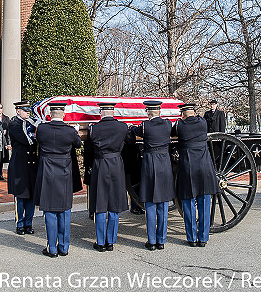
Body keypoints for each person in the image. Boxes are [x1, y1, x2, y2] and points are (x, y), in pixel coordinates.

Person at [34, 102, 82, 257]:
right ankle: (64, 246)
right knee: (64, 211)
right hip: (64, 173)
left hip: (47, 172)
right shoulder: (69, 131)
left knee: (49, 211)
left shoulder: (42, 129)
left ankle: (52, 248)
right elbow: (78, 144)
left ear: (50, 113)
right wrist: (76, 131)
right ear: (63, 114)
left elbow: (38, 140)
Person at [83, 102, 131, 252]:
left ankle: (100, 241)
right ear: (113, 111)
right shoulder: (122, 127)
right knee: (114, 204)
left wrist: (88, 167)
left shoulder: (93, 128)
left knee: (100, 203)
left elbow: (88, 151)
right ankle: (111, 241)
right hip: (117, 164)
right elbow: (130, 142)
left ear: (101, 112)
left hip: (100, 164)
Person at [173, 103, 219, 248]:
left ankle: (192, 238)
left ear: (183, 115)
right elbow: (200, 119)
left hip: (188, 169)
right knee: (205, 204)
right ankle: (203, 238)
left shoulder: (180, 126)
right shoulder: (203, 123)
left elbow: (174, 130)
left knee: (188, 204)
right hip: (205, 168)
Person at [133, 100, 174, 251]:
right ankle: (161, 240)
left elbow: (134, 131)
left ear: (148, 112)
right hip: (164, 163)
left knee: (150, 203)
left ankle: (151, 240)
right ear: (159, 111)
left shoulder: (145, 126)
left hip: (150, 163)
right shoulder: (167, 124)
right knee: (163, 203)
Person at [7, 100, 38, 235]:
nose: (28, 113)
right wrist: (37, 133)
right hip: (20, 165)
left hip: (32, 165)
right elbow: (27, 139)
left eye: (28, 111)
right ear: (18, 111)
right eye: (25, 111)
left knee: (31, 196)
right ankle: (20, 223)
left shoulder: (31, 122)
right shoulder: (14, 124)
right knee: (20, 196)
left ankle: (28, 223)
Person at [0, 103, 11, 181]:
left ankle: (0, 174)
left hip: (4, 140)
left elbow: (9, 130)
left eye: (0, 108)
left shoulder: (6, 118)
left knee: (1, 158)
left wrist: (8, 143)